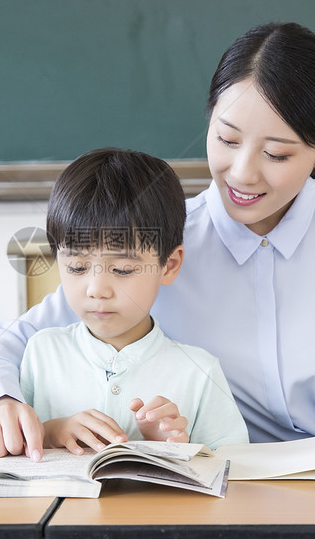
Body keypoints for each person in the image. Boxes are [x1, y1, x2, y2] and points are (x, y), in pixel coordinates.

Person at [0, 21, 315, 459]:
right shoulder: (155, 239)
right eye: (226, 139)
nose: (242, 173)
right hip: (208, 481)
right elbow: (10, 346)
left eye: (276, 153)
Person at [18, 148, 248, 459]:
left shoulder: (199, 372)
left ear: (168, 265)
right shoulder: (41, 352)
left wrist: (174, 448)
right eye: (76, 268)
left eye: (122, 269)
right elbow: (4, 450)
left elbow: (234, 469)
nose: (97, 289)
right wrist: (51, 432)